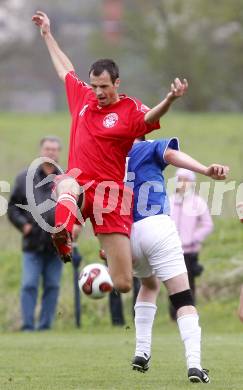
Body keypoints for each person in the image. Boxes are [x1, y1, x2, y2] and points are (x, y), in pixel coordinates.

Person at [32, 11, 188, 293]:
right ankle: (62, 232)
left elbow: (150, 119)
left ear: (116, 83)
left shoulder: (129, 109)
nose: (98, 92)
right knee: (66, 181)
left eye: (104, 86)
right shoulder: (84, 98)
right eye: (94, 86)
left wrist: (169, 100)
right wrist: (47, 34)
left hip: (111, 194)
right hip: (80, 182)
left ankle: (97, 270)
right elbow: (64, 70)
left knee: (124, 284)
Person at [127, 136, 229, 383]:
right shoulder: (147, 145)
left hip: (127, 231)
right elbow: (171, 155)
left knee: (148, 285)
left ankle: (141, 351)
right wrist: (205, 169)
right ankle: (194, 364)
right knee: (182, 297)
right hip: (157, 226)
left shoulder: (111, 153)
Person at [8, 136, 63, 331]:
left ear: (59, 153)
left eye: (55, 149)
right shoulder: (25, 178)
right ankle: (28, 326)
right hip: (32, 243)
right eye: (47, 149)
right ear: (41, 151)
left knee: (53, 286)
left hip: (58, 245)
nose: (51, 152)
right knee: (29, 285)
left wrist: (73, 229)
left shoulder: (65, 179)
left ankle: (45, 326)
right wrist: (24, 226)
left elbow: (76, 208)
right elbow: (12, 207)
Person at [168, 168, 213, 320]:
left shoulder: (198, 202)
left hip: (189, 251)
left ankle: (188, 314)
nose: (181, 183)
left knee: (188, 282)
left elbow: (207, 224)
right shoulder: (169, 200)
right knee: (171, 281)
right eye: (179, 179)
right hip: (172, 249)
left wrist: (194, 238)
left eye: (185, 179)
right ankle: (174, 316)